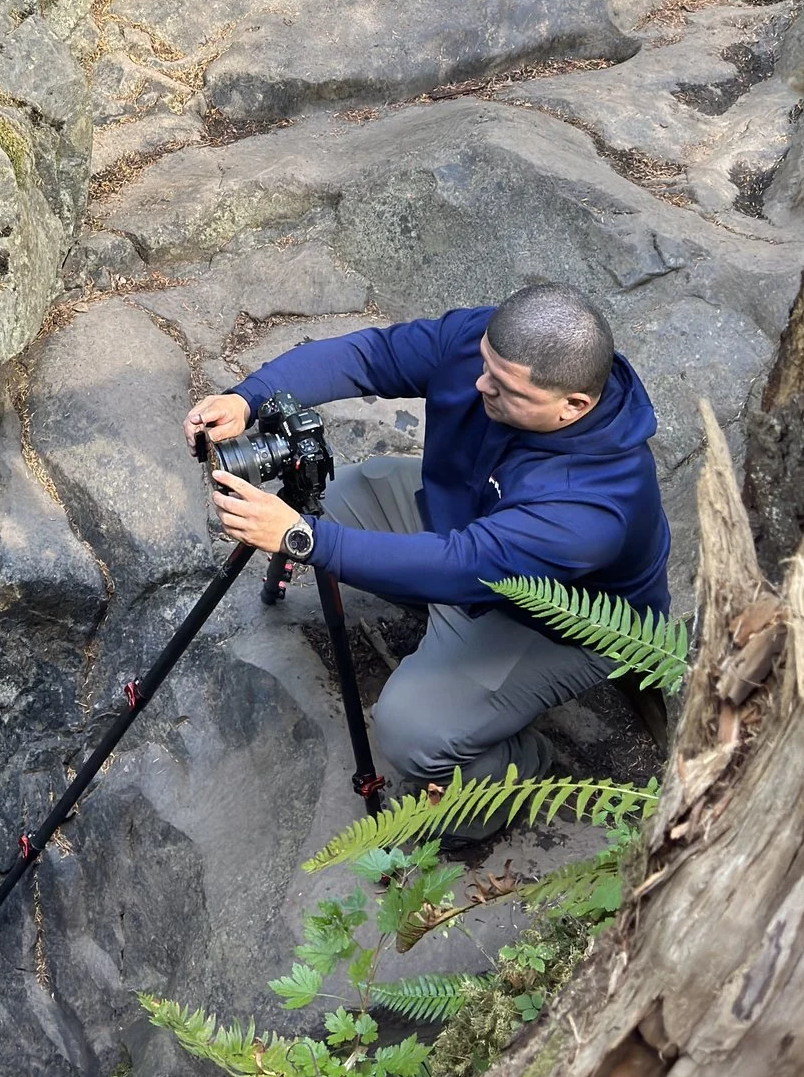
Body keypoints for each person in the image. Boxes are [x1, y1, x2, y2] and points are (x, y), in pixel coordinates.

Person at [183, 284, 669, 794]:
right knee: (338, 499)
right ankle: (433, 623)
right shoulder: (495, 350)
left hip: (548, 620)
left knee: (412, 733)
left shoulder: (594, 505)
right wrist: (248, 397)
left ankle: (522, 773)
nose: (481, 385)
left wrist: (304, 539)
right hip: (466, 525)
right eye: (484, 366)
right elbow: (372, 355)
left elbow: (466, 565)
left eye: (505, 389)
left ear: (573, 405)